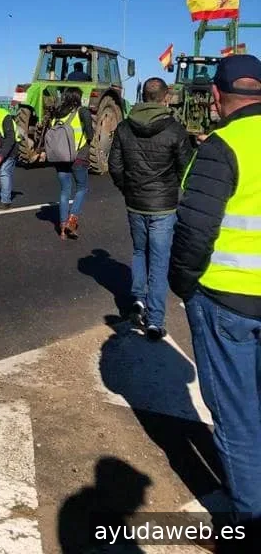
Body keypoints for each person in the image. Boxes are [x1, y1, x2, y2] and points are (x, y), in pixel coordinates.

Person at [169, 54, 261, 540]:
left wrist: (182, 284)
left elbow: (195, 229)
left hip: (228, 304)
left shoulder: (222, 146)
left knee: (238, 419)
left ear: (218, 98)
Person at [108, 77, 192, 341]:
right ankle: (155, 321)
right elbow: (186, 168)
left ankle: (139, 299)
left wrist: (128, 189)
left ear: (143, 95)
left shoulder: (124, 127)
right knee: (159, 261)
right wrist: (173, 188)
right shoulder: (175, 130)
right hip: (164, 206)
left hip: (135, 203)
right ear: (165, 97)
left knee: (138, 252)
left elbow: (115, 165)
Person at [44, 88, 93, 239]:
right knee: (82, 188)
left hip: (60, 157)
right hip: (78, 156)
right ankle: (73, 219)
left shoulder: (57, 115)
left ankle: (63, 226)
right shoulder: (82, 112)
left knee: (65, 191)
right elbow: (90, 134)